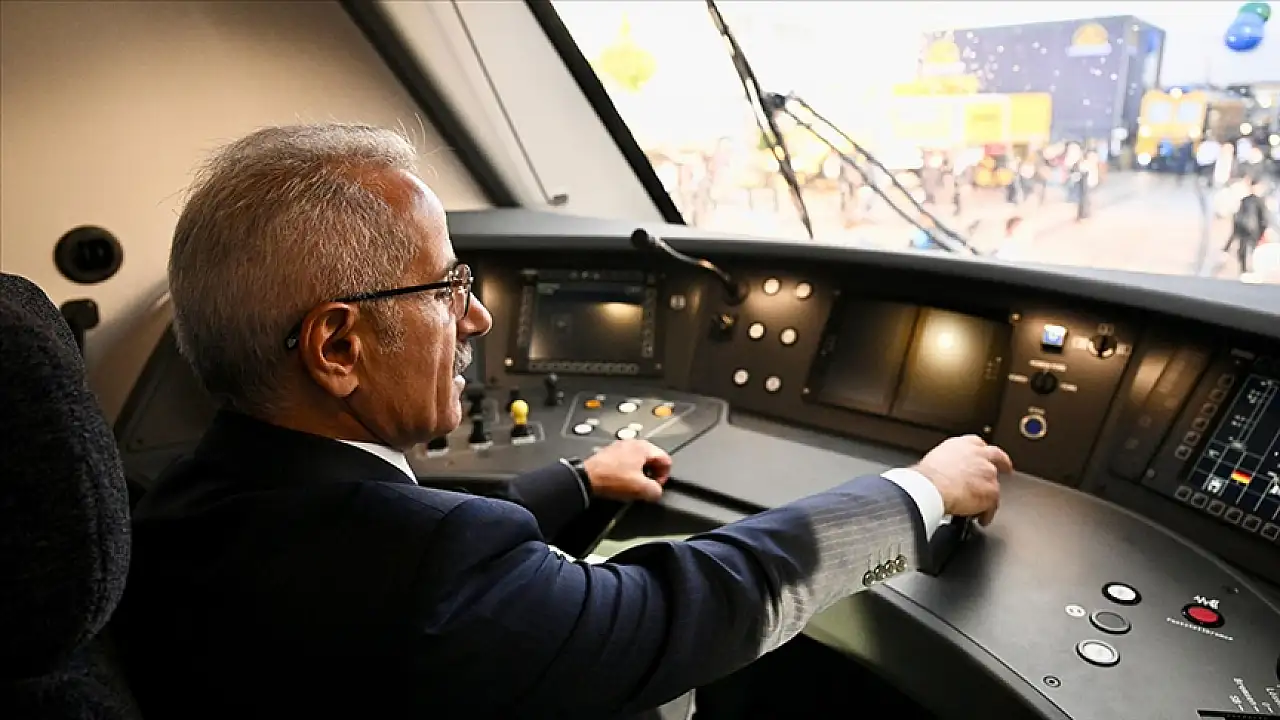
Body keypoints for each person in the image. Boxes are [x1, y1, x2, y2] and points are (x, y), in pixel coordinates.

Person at [115, 124, 1006, 720]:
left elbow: (408, 550)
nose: (477, 318)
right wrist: (919, 492)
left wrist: (579, 481)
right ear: (339, 347)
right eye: (446, 288)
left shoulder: (181, 501)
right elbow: (694, 605)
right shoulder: (424, 571)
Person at [1225, 178, 1273, 275]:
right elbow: (1264, 218)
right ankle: (1250, 269)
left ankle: (1243, 269)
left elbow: (1238, 215)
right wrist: (1264, 230)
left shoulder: (1245, 200)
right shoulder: (1259, 201)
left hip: (1244, 227)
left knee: (1243, 249)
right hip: (1253, 229)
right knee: (1252, 249)